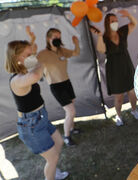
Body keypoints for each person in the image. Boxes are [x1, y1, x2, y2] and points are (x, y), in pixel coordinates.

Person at [5, 26, 68, 180]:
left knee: (58, 143)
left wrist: (32, 40)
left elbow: (32, 50)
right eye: (28, 55)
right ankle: (51, 176)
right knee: (52, 158)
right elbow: (35, 76)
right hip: (31, 125)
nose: (32, 56)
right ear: (17, 58)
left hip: (41, 117)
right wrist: (41, 61)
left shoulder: (23, 69)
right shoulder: (18, 80)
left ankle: (53, 170)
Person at [90, 9, 138, 126]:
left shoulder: (122, 31)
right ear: (107, 23)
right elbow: (101, 50)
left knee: (132, 92)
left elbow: (134, 23)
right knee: (118, 97)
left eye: (116, 20)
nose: (115, 22)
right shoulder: (104, 37)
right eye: (112, 21)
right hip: (114, 69)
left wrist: (129, 15)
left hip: (126, 65)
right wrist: (99, 36)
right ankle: (118, 116)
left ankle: (134, 110)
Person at [37, 28, 80, 146]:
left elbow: (75, 53)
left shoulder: (61, 51)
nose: (58, 39)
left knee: (72, 107)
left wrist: (76, 43)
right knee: (71, 111)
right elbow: (32, 63)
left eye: (59, 37)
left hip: (67, 82)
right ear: (48, 38)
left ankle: (72, 128)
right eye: (55, 37)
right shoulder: (42, 54)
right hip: (56, 86)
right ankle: (66, 137)